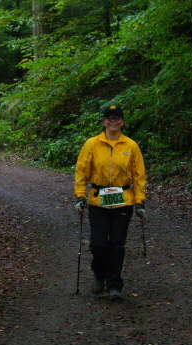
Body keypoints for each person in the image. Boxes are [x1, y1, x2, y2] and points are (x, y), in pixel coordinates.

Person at [74, 105, 146, 300]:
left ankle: (115, 284)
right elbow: (81, 171)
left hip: (123, 201)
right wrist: (80, 195)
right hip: (98, 201)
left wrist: (140, 201)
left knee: (117, 244)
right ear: (104, 121)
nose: (112, 121)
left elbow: (139, 175)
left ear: (122, 121)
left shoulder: (131, 146)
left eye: (116, 118)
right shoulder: (92, 144)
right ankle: (99, 274)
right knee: (98, 244)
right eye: (109, 118)